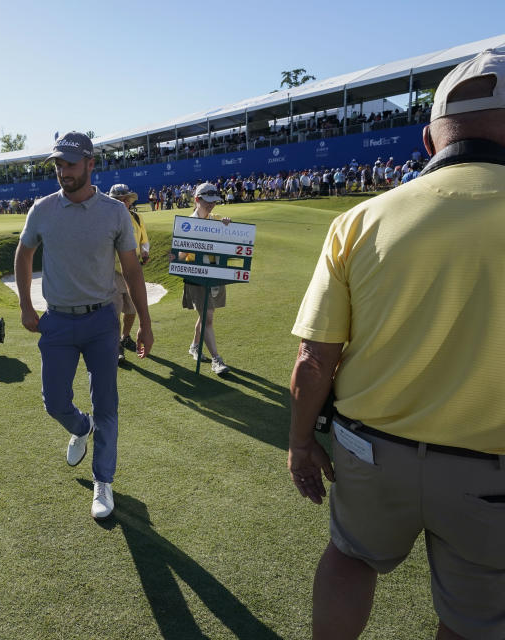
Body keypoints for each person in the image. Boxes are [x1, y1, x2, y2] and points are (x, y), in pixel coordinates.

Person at [287, 47, 505, 639]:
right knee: (472, 619)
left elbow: (314, 358)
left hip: (369, 454)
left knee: (350, 559)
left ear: (430, 141)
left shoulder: (360, 220)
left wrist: (301, 443)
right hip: (489, 474)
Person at [14, 132, 153, 520]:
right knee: (54, 402)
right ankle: (80, 426)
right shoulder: (41, 209)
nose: (63, 171)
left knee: (107, 404)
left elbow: (131, 271)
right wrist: (26, 305)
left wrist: (144, 322)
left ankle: (103, 481)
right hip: (56, 320)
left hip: (101, 321)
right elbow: (23, 256)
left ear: (91, 164)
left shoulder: (115, 212)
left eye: (71, 164)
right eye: (58, 164)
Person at [181, 183, 231, 375]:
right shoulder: (188, 224)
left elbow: (230, 243)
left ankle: (194, 346)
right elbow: (181, 255)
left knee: (206, 315)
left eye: (213, 202)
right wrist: (176, 256)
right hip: (196, 277)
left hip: (214, 275)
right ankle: (217, 360)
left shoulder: (218, 220)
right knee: (207, 316)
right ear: (197, 200)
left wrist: (227, 227)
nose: (211, 205)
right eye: (207, 201)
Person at [107, 184, 150, 363]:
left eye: (126, 199)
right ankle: (115, 344)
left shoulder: (136, 217)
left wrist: (145, 251)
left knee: (132, 309)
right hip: (113, 271)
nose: (123, 202)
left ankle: (125, 337)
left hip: (133, 271)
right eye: (118, 200)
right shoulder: (105, 219)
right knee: (115, 310)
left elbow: (144, 239)